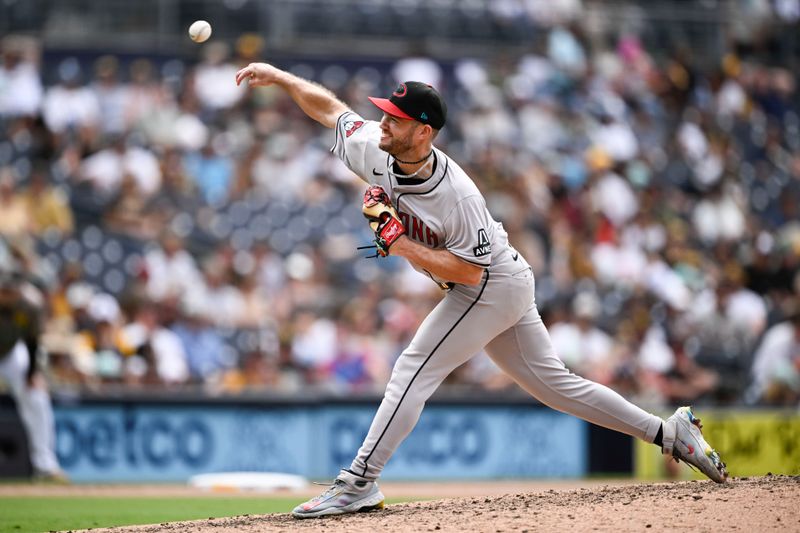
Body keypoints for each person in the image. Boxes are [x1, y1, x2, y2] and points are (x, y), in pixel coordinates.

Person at [234, 63, 728, 518]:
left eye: (394, 118)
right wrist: (279, 76)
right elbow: (332, 111)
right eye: (384, 113)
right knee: (556, 387)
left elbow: (470, 274)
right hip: (493, 283)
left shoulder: (458, 194)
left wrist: (398, 243)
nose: (382, 123)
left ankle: (360, 481)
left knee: (413, 367)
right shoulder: (375, 147)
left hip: (492, 283)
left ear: (423, 132)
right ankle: (670, 433)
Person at [0, 263, 67, 482]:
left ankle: (45, 466)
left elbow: (32, 341)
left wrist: (31, 374)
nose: (8, 295)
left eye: (12, 290)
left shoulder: (30, 304)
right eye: (4, 290)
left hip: (11, 352)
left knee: (37, 397)